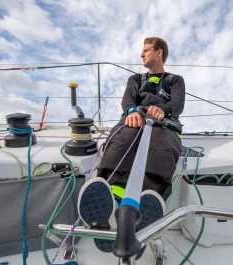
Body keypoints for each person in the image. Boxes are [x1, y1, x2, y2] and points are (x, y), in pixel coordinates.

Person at [77, 37, 185, 257]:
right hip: (134, 118)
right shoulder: (136, 78)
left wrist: (163, 110)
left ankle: (147, 206)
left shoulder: (175, 80)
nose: (141, 54)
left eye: (146, 50)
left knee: (161, 152)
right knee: (120, 145)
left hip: (164, 123)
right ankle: (110, 206)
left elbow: (178, 103)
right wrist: (132, 112)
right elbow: (128, 98)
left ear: (160, 53)